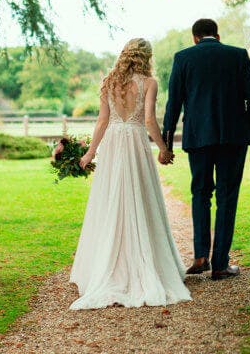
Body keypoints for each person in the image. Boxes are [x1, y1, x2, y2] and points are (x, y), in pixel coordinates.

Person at [69, 38, 192, 310]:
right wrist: (163, 149)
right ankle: (142, 262)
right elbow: (148, 120)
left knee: (111, 199)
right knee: (140, 196)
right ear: (147, 57)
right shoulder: (149, 83)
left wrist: (90, 154)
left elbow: (102, 121)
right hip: (135, 143)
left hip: (113, 143)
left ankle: (106, 266)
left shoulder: (109, 82)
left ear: (125, 55)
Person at [161, 19, 250, 280]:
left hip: (197, 137)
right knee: (227, 198)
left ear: (195, 37)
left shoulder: (183, 58)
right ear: (217, 35)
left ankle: (200, 256)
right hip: (234, 139)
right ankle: (220, 264)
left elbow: (174, 102)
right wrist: (248, 132)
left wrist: (167, 142)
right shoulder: (238, 55)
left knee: (200, 194)